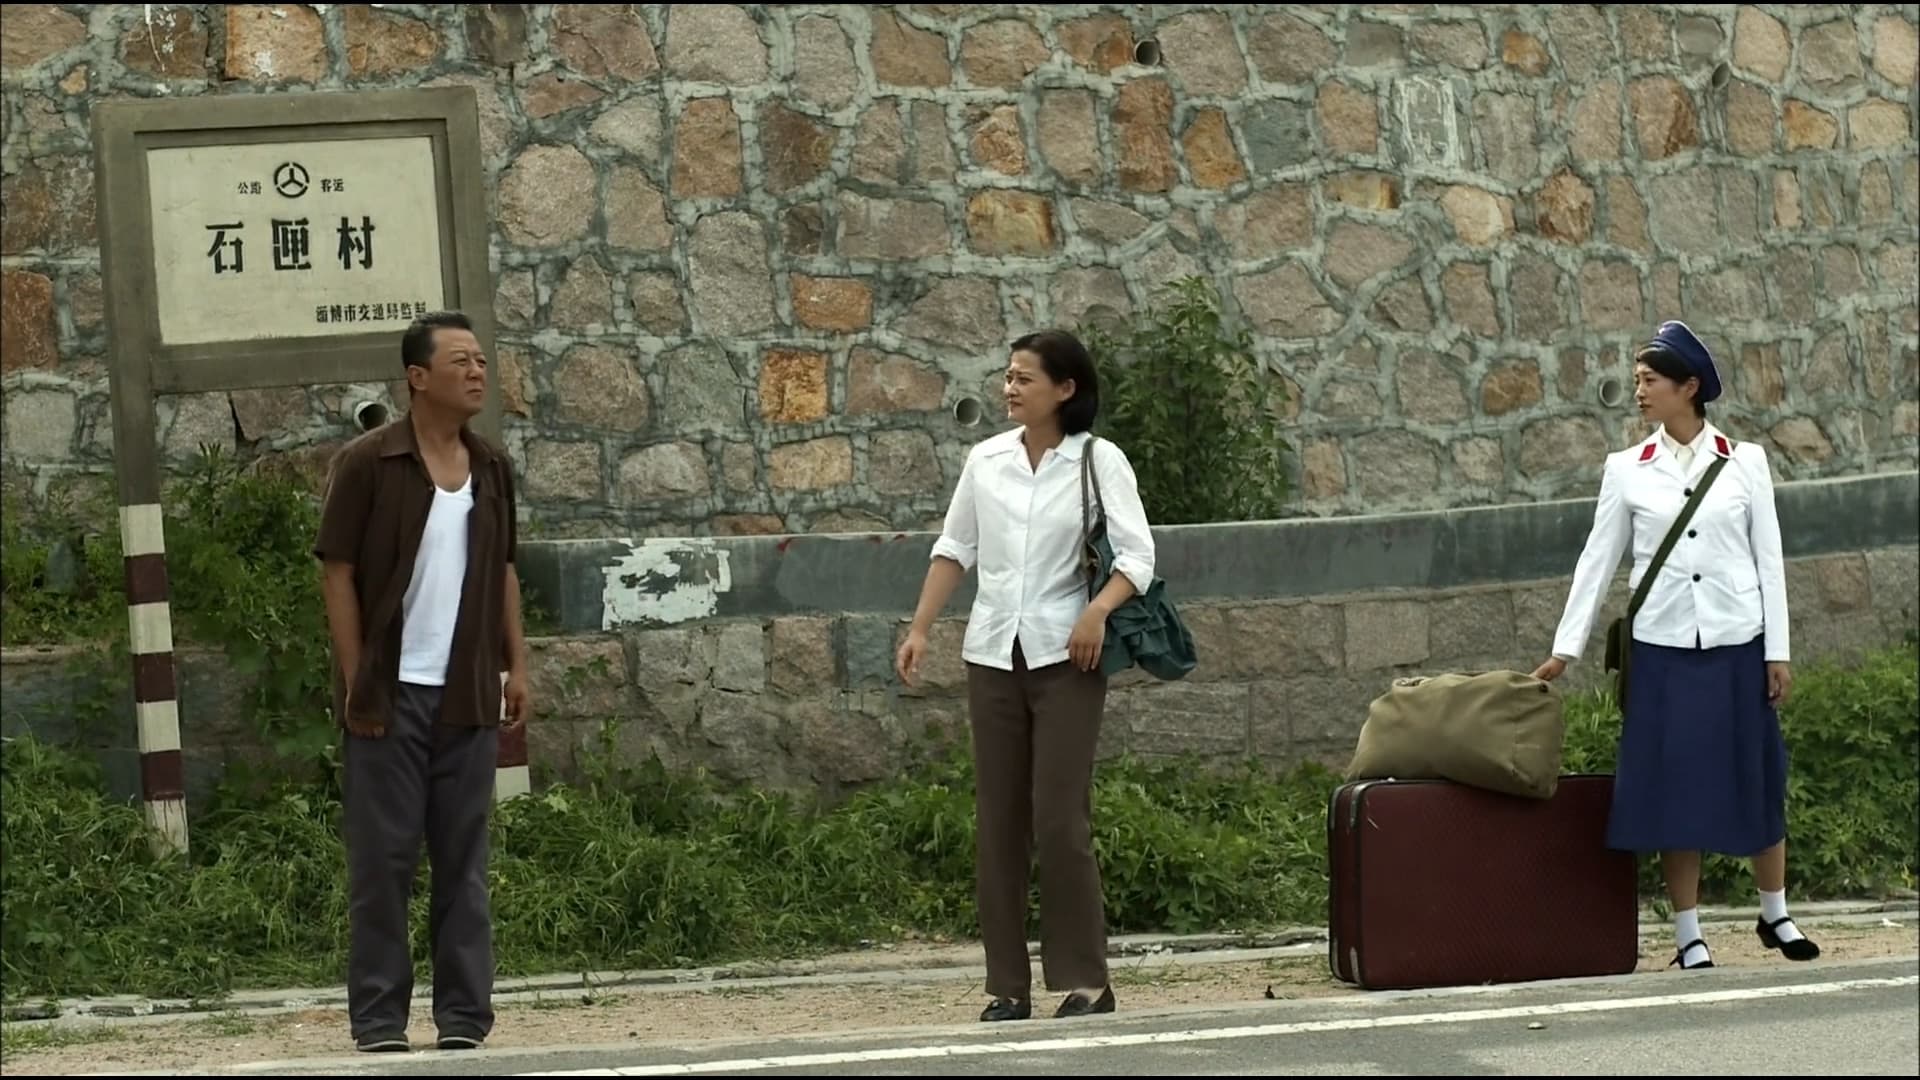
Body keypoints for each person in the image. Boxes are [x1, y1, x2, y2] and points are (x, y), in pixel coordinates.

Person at [1532, 320, 1816, 972]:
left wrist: (1777, 651)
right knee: (1675, 791)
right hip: (1662, 651)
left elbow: (1769, 561)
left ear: (1689, 387)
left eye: (1650, 380)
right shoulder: (1625, 470)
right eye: (1637, 380)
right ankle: (1689, 935)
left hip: (1737, 643)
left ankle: (1775, 912)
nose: (1639, 391)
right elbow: (1596, 561)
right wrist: (1565, 649)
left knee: (1756, 776)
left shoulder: (1745, 462)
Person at [895, 330, 1156, 1021]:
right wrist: (920, 628)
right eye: (1007, 377)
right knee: (999, 823)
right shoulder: (985, 461)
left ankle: (1087, 982)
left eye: (1024, 378)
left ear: (1065, 389)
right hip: (991, 655)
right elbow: (955, 547)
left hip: (1069, 658)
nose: (1010, 389)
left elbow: (1138, 557)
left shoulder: (1099, 461)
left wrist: (1096, 612)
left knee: (1060, 819)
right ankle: (1007, 987)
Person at [314, 310, 531, 1052]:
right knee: (384, 863)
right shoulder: (369, 463)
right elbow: (337, 572)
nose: (477, 372)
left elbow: (504, 569)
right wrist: (358, 682)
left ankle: (464, 1019)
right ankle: (380, 1021)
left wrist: (517, 664)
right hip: (391, 693)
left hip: (466, 692)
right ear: (417, 377)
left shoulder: (492, 467)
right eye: (460, 361)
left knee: (463, 863)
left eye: (481, 361)